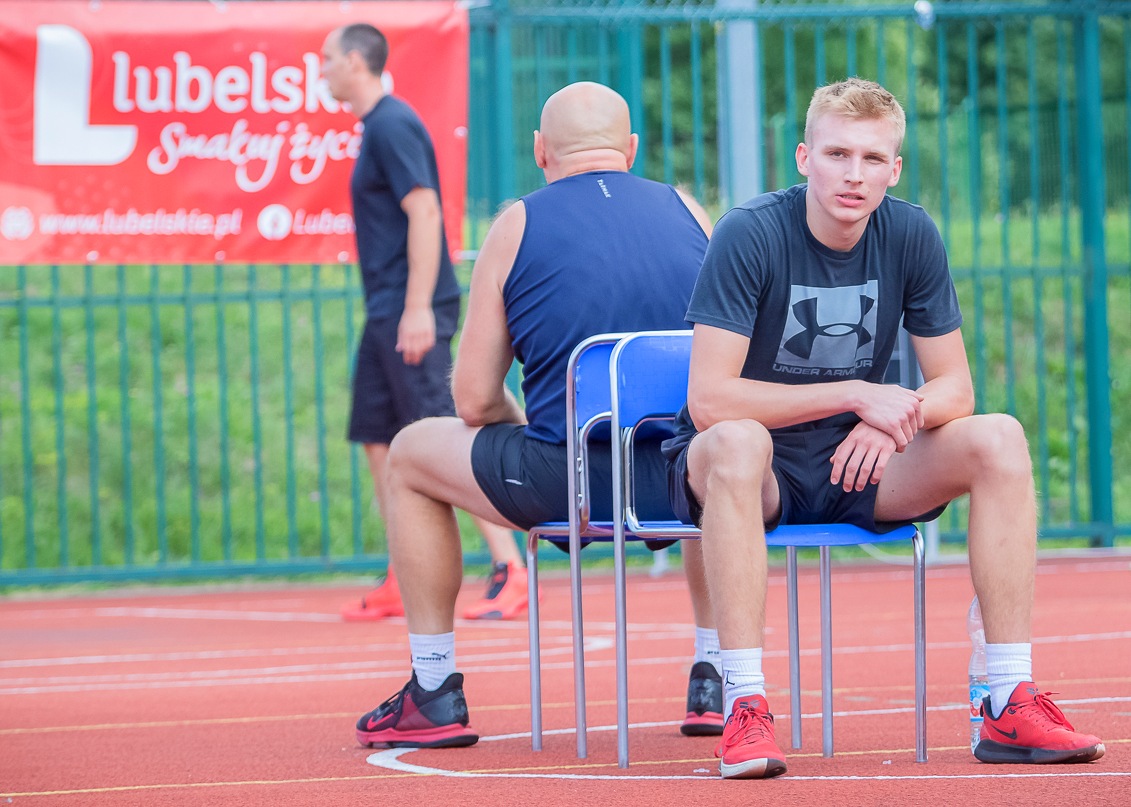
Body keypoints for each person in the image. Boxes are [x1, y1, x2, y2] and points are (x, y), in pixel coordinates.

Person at [663, 78, 1106, 779]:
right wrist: (857, 394)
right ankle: (744, 703)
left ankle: (1006, 696)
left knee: (999, 437)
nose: (854, 174)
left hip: (858, 463)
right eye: (837, 154)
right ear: (804, 157)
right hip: (755, 466)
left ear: (894, 169)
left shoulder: (910, 232)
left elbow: (955, 387)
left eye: (872, 158)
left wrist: (895, 420)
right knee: (739, 441)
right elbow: (711, 401)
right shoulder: (750, 232)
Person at [354, 82, 723, 749]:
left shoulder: (517, 225)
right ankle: (715, 675)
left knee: (408, 453)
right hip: (683, 480)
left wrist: (528, 428)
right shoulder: (690, 212)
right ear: (631, 148)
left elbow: (473, 399)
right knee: (710, 446)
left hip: (564, 480)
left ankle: (433, 689)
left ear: (540, 151)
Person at [320, 23, 530, 621]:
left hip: (409, 307)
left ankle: (510, 567)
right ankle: (402, 572)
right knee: (378, 436)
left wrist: (417, 306)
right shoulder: (375, 126)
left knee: (443, 434)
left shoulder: (392, 123)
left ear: (355, 62)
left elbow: (425, 209)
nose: (322, 70)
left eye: (327, 59)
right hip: (385, 308)